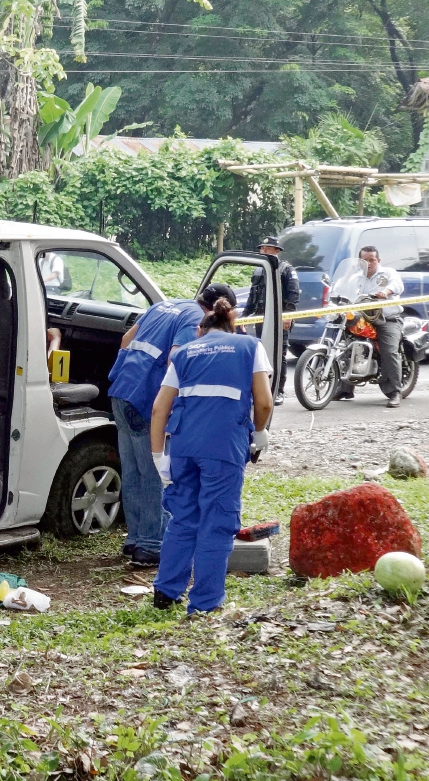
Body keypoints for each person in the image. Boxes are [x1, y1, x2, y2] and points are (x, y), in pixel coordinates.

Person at [148, 297, 274, 613]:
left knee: (184, 517)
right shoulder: (250, 347)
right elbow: (265, 403)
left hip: (184, 448)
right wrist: (259, 433)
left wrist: (157, 456)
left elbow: (159, 408)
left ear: (199, 330)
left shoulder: (185, 353)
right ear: (231, 325)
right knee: (217, 522)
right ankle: (205, 603)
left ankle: (165, 593)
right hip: (223, 447)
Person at [107, 283, 238, 567]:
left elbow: (125, 340)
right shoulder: (194, 319)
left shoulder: (164, 305)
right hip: (146, 398)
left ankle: (135, 540)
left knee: (133, 472)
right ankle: (151, 546)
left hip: (121, 391)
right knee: (155, 474)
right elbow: (174, 360)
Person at [334, 246, 405, 408]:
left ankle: (394, 392)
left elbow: (397, 285)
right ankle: (345, 388)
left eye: (372, 259)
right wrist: (347, 274)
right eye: (364, 260)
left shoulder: (388, 273)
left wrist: (386, 291)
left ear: (378, 260)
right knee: (347, 346)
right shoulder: (356, 278)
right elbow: (339, 288)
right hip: (362, 318)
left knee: (389, 350)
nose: (369, 263)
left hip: (387, 319)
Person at [240, 236, 300, 406]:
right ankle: (262, 390)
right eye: (262, 248)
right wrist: (244, 316)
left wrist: (288, 315)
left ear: (276, 251)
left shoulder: (287, 270)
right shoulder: (259, 270)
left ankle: (278, 391)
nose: (264, 251)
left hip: (279, 319)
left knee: (279, 354)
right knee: (262, 354)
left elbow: (293, 295)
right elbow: (253, 296)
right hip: (261, 318)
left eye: (268, 248)